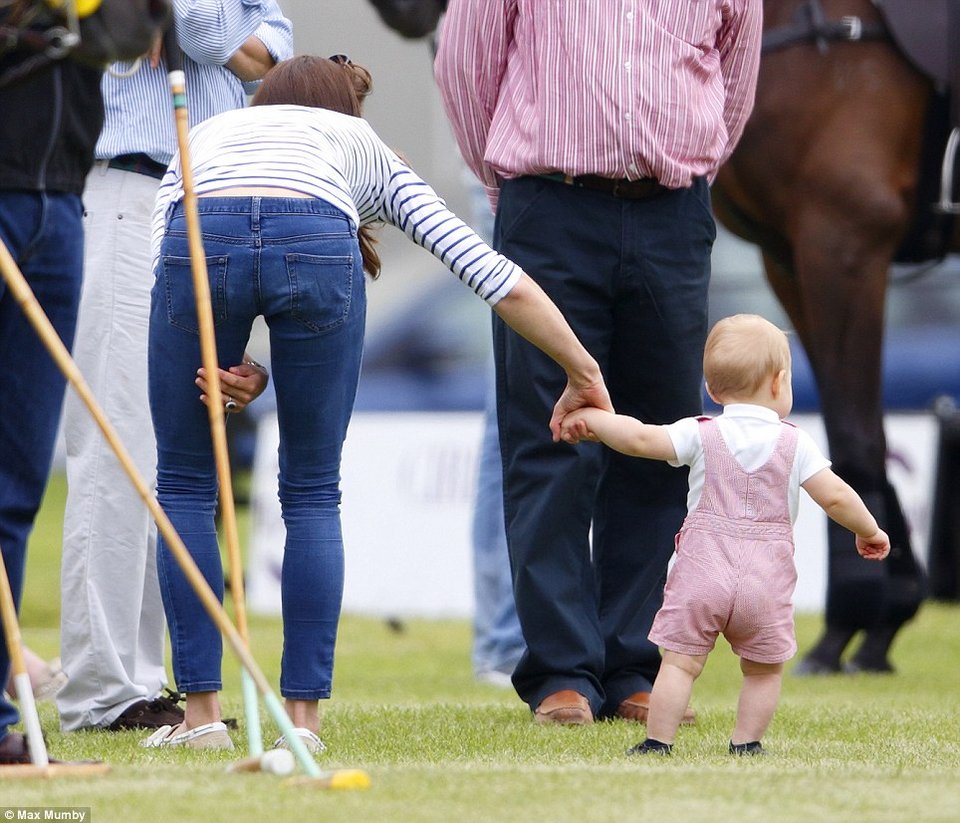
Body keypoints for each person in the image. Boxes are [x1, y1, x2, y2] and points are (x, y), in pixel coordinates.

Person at [139, 54, 610, 751]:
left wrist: (226, 366)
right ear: (346, 109)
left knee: (183, 482)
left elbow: (166, 266)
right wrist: (582, 365)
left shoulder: (209, 131)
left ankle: (202, 716)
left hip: (199, 226)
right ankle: (302, 724)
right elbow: (490, 273)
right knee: (309, 492)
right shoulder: (362, 146)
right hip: (318, 244)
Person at [435, 1, 763, 724]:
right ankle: (560, 672)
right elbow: (463, 67)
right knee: (548, 441)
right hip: (548, 204)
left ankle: (633, 667)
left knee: (658, 444)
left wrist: (693, 163)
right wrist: (505, 190)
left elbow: (736, 79)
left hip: (671, 211)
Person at [57, 0, 293, 734]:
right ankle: (102, 686)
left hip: (210, 192)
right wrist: (222, 34)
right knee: (117, 439)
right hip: (129, 187)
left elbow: (274, 59)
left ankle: (143, 672)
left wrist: (224, 36)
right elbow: (213, 34)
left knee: (177, 452)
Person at [559, 314, 891, 754]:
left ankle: (658, 742)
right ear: (780, 383)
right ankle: (746, 744)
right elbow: (836, 497)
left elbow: (640, 439)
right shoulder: (797, 444)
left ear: (713, 391)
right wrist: (869, 530)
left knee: (679, 665)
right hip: (765, 579)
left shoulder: (701, 432)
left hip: (703, 569)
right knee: (763, 671)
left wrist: (595, 422)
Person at [0, 0, 165, 767]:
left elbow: (133, 35)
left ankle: (1, 724)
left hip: (59, 199)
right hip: (43, 189)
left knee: (18, 481)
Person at [365, 0, 524, 686]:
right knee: (516, 390)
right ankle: (506, 639)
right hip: (508, 154)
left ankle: (610, 636)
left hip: (617, 160)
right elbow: (408, 14)